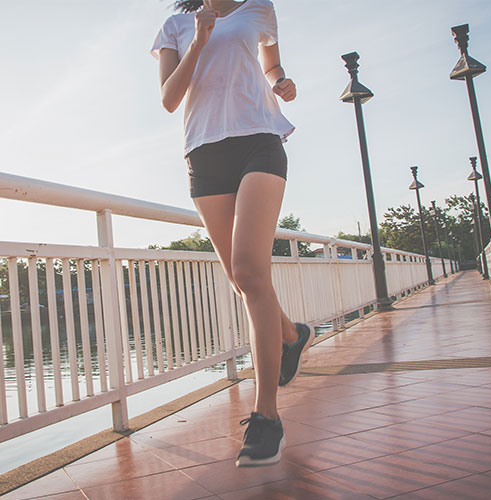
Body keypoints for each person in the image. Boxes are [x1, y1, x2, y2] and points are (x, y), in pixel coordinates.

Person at [151, 0, 314, 467]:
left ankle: (267, 417)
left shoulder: (259, 10)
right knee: (245, 281)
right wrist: (199, 41)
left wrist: (281, 81)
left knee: (248, 269)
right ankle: (290, 334)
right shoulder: (176, 25)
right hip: (203, 154)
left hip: (259, 139)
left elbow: (272, 62)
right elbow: (168, 99)